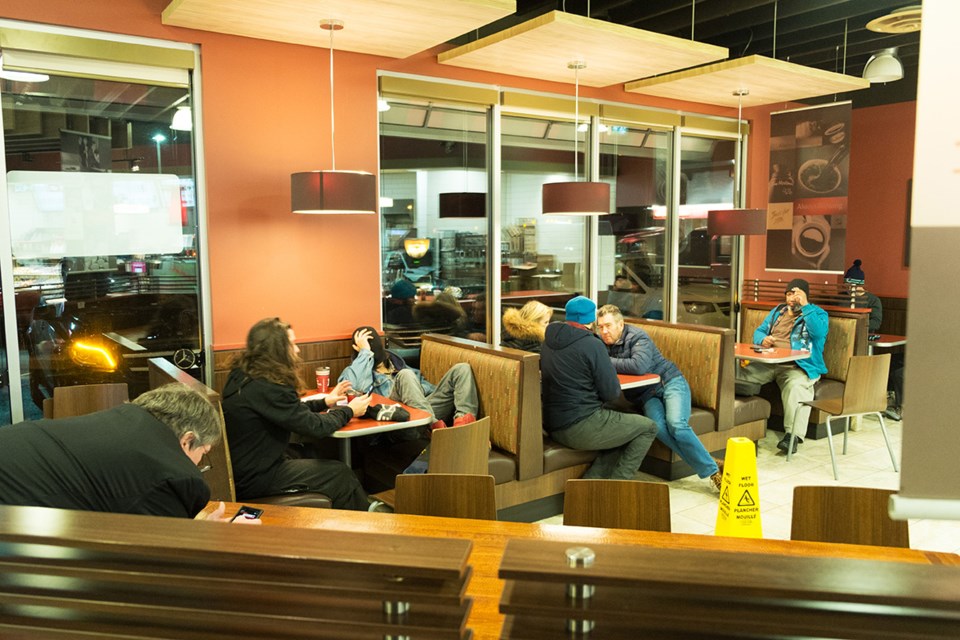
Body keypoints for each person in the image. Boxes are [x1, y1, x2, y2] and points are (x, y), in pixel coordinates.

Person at [0, 383, 251, 522]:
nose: (198, 465)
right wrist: (221, 540)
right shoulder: (172, 474)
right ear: (187, 441)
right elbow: (161, 567)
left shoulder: (126, 418)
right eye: (203, 454)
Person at [221, 317, 378, 512]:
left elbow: (288, 410)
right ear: (277, 350)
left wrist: (325, 401)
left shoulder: (244, 375)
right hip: (255, 478)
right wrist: (349, 411)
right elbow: (315, 426)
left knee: (311, 451)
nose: (297, 350)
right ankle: (366, 526)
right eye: (292, 344)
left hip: (245, 467)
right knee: (339, 473)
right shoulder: (269, 386)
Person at [595, 304, 723, 491]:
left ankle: (713, 472)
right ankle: (711, 463)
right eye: (600, 327)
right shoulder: (602, 344)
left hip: (670, 382)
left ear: (620, 325)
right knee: (658, 429)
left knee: (677, 425)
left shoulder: (638, 337)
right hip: (647, 394)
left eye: (608, 326)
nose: (604, 331)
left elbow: (639, 366)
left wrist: (605, 362)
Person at [540, 296, 657, 480]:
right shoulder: (592, 344)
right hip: (579, 426)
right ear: (591, 320)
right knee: (648, 427)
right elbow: (611, 393)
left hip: (552, 423)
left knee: (622, 430)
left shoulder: (548, 340)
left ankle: (590, 487)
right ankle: (616, 487)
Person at [735, 279, 829, 455]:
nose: (793, 297)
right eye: (789, 293)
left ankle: (792, 437)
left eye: (797, 293)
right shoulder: (778, 312)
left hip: (799, 367)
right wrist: (763, 340)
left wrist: (806, 306)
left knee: (796, 387)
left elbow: (818, 333)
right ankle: (731, 425)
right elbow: (759, 331)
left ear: (806, 295)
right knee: (737, 375)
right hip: (769, 363)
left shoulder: (818, 314)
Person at [339, 326, 478, 432]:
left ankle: (464, 430)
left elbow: (428, 388)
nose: (372, 347)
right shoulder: (357, 370)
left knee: (462, 368)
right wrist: (365, 354)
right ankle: (437, 431)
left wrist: (418, 392)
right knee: (405, 375)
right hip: (395, 415)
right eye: (368, 345)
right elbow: (355, 389)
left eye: (373, 344)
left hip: (422, 408)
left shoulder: (397, 363)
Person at [844, 259, 882, 332]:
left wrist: (853, 326)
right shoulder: (841, 297)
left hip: (863, 336)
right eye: (846, 286)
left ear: (860, 285)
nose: (848, 288)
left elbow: (875, 323)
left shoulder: (873, 300)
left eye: (851, 286)